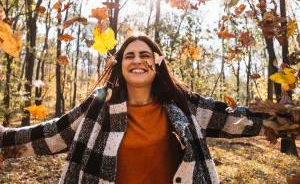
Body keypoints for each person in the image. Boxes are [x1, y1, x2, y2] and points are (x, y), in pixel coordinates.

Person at [0, 34, 267, 184]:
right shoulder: (99, 106)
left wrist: (280, 120)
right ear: (120, 65)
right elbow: (53, 133)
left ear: (157, 63)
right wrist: (3, 139)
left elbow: (232, 119)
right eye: (130, 55)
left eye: (145, 55)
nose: (137, 60)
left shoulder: (183, 104)